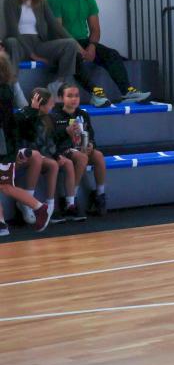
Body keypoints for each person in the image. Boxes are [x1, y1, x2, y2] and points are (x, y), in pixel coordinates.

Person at [48, 0, 150, 105]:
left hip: (84, 41)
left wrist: (92, 46)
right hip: (64, 45)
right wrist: (79, 49)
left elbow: (95, 29)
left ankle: (127, 91)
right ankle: (96, 93)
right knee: (74, 57)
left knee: (112, 54)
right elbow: (59, 31)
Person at [2, 0, 81, 101]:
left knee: (70, 44)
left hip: (38, 43)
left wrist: (77, 44)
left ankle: (58, 84)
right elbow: (13, 30)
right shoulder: (10, 0)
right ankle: (15, 88)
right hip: (19, 43)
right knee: (11, 41)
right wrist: (33, 55)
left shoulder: (41, 1)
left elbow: (54, 25)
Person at [16, 88, 86, 221]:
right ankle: (37, 204)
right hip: (26, 154)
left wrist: (59, 150)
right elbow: (34, 141)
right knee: (53, 164)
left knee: (67, 163)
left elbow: (51, 141)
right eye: (50, 103)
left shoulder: (47, 118)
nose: (53, 105)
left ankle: (68, 204)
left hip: (43, 153)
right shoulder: (26, 116)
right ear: (40, 105)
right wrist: (55, 156)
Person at [0, 53, 50, 234]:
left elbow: (9, 122)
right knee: (3, 186)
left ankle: (39, 207)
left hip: (4, 146)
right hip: (5, 144)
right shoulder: (5, 89)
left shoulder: (3, 91)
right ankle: (2, 223)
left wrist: (30, 111)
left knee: (5, 186)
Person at [53, 83, 107, 214]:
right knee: (81, 157)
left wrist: (91, 145)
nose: (74, 99)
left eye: (76, 96)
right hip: (63, 150)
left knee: (98, 155)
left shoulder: (83, 114)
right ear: (61, 98)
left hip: (81, 148)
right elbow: (52, 139)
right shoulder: (55, 116)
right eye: (69, 96)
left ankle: (100, 195)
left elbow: (91, 134)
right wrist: (65, 132)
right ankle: (71, 199)